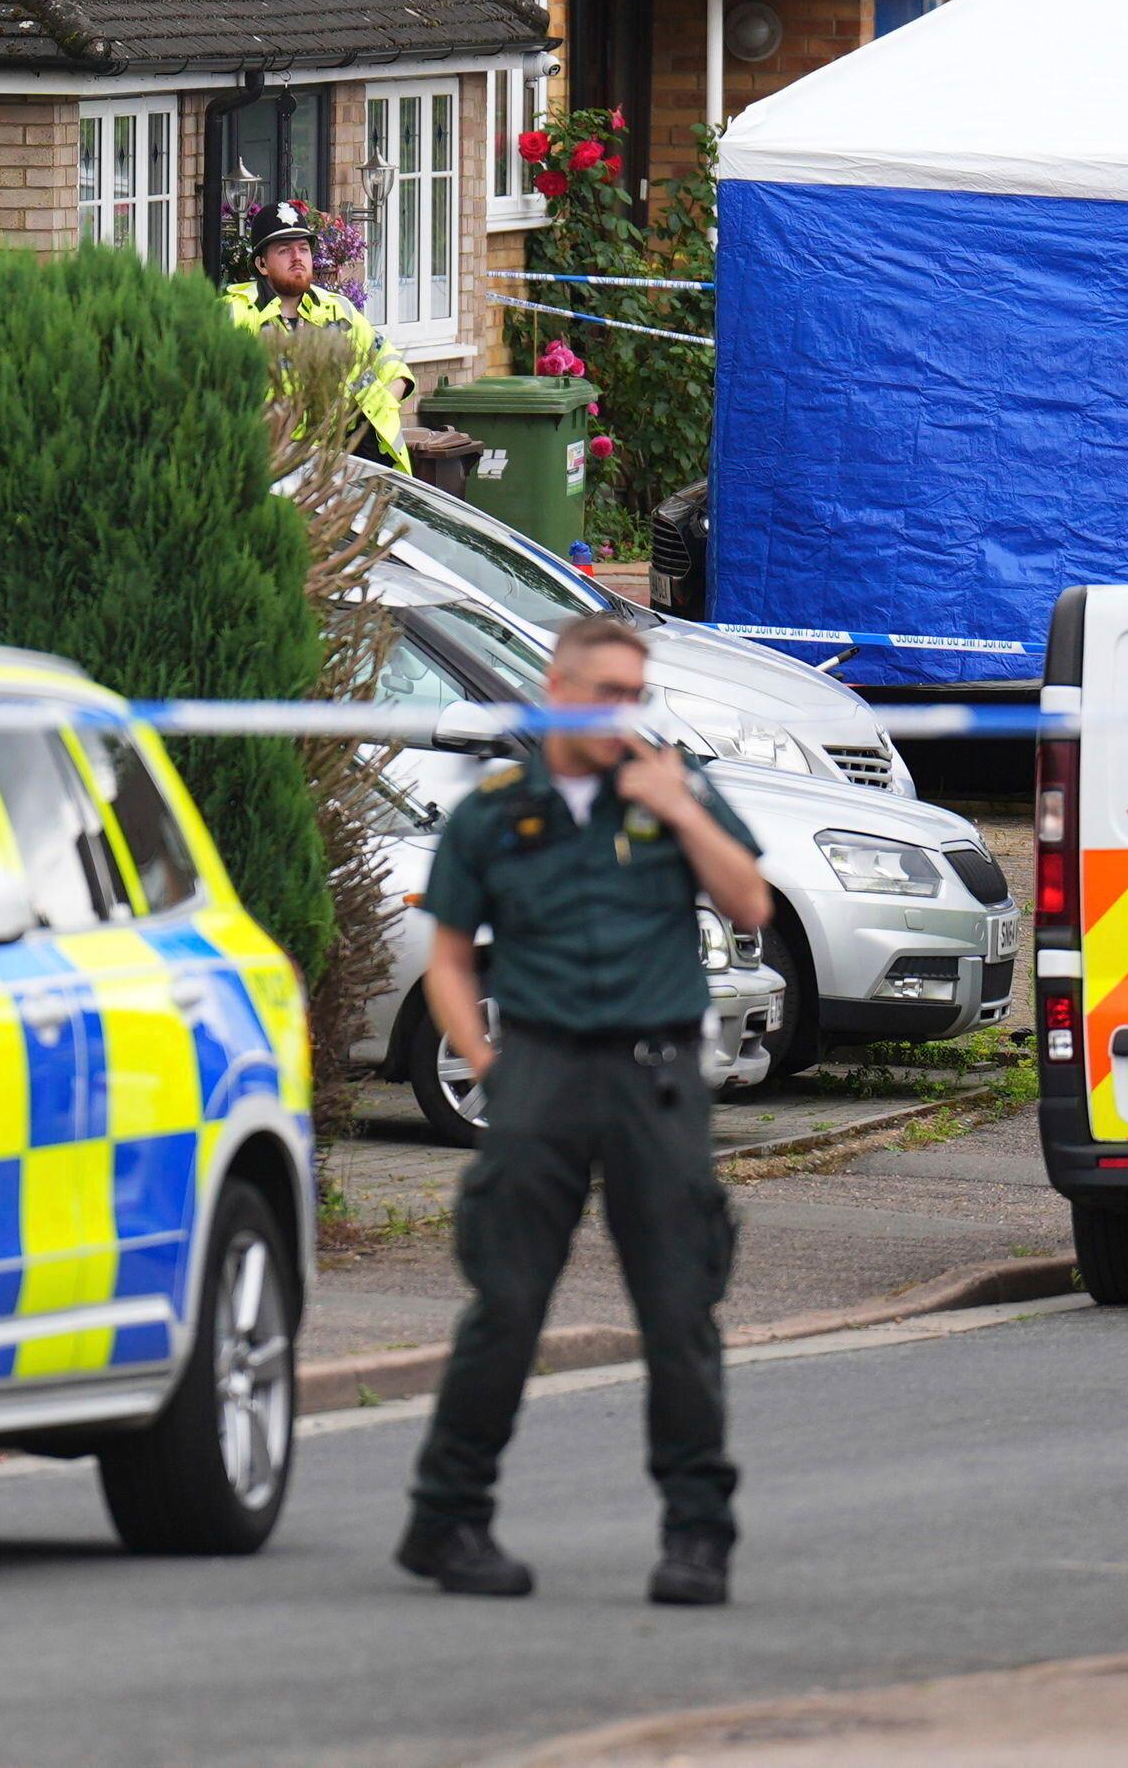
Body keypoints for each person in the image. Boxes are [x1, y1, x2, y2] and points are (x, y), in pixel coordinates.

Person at [397, 613, 771, 1607]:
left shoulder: (666, 784)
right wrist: (481, 1057)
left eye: (630, 695)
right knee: (508, 1300)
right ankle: (447, 1518)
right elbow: (445, 951)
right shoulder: (496, 809)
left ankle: (697, 1534)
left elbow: (751, 904)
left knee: (679, 1306)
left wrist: (679, 807)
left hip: (653, 1076)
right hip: (541, 1069)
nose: (618, 713)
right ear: (555, 685)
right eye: (602, 692)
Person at [225, 207, 413, 468]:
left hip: (354, 459)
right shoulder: (236, 314)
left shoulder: (338, 309)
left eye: (303, 248)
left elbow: (389, 359)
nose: (297, 257)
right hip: (275, 465)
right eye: (284, 250)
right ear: (262, 264)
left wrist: (383, 403)